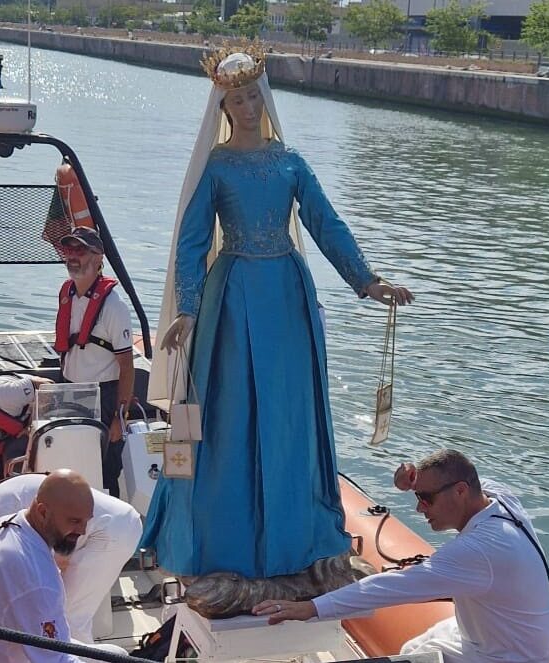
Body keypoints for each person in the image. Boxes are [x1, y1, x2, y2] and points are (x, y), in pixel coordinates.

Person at [140, 45, 413, 584]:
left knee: (290, 410)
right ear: (223, 107)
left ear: (263, 99)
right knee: (230, 410)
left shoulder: (291, 162)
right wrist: (188, 310)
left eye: (251, 96)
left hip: (287, 294)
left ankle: (294, 532)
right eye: (235, 98)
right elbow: (193, 245)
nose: (245, 106)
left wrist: (367, 281)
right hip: (234, 292)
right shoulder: (216, 168)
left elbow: (325, 222)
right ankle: (227, 537)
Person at [252, 450, 549, 663]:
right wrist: (411, 482)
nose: (419, 508)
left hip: (502, 658)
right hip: (496, 641)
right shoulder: (500, 499)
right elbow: (468, 475)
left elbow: (392, 586)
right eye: (417, 496)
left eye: (425, 498)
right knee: (414, 646)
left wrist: (312, 607)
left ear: (461, 491)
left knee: (413, 656)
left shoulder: (480, 549)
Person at [0, 472, 142, 644]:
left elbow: (31, 570)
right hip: (106, 528)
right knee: (66, 612)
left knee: (68, 616)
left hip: (108, 532)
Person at [53, 226, 135, 496]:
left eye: (81, 250)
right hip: (71, 392)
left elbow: (126, 366)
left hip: (104, 397)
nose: (73, 256)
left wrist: (118, 420)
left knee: (104, 473)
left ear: (99, 258)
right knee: (72, 466)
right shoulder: (67, 294)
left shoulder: (113, 307)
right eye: (69, 249)